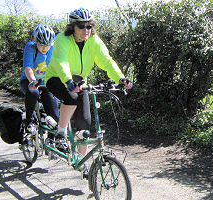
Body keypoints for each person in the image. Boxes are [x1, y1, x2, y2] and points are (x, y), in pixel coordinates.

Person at [45, 8, 132, 155]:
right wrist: (67, 80)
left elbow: (106, 61)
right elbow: (61, 62)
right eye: (81, 26)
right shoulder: (62, 39)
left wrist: (120, 78)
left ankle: (82, 163)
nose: (86, 30)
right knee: (71, 97)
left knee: (85, 123)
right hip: (57, 78)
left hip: (79, 82)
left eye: (89, 26)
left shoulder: (94, 41)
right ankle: (60, 133)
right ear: (72, 26)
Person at [19, 24, 59, 135]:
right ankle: (29, 121)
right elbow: (28, 67)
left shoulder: (52, 49)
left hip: (46, 83)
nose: (45, 49)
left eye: (48, 46)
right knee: (33, 92)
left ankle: (53, 138)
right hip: (28, 80)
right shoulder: (30, 47)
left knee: (53, 107)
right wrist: (33, 81)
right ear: (36, 41)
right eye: (41, 45)